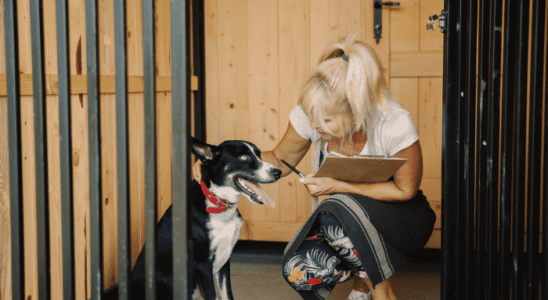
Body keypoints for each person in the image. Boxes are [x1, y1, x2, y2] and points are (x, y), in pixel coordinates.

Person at [193, 33, 435, 300]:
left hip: (401, 222)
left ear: (356, 112)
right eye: (310, 117)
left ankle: (380, 293)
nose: (312, 127)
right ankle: (360, 281)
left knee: (337, 205)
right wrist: (217, 162)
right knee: (298, 270)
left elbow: (405, 191)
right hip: (341, 228)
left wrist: (339, 185)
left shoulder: (394, 122)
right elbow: (278, 159)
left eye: (325, 121)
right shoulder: (314, 113)